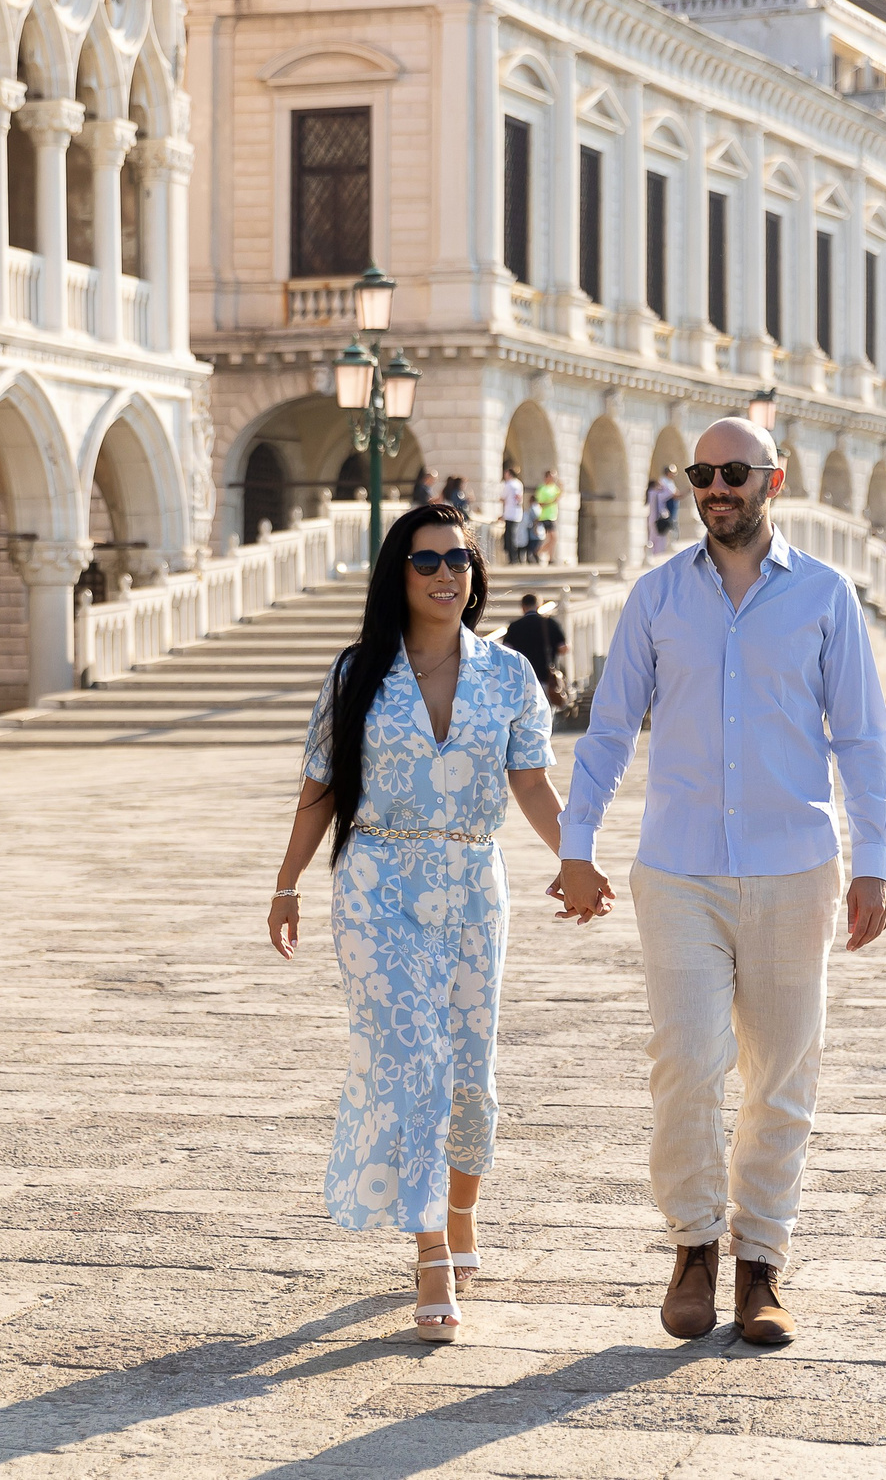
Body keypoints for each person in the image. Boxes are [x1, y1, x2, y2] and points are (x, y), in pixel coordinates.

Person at [556, 417, 886, 1347]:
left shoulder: (825, 594)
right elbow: (610, 726)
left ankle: (761, 1265)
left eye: (734, 471)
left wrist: (874, 859)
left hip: (797, 867)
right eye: (702, 472)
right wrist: (577, 843)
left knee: (783, 1075)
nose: (716, 486)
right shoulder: (657, 595)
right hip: (679, 869)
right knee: (686, 1064)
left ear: (771, 481)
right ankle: (694, 1247)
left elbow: (862, 736)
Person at [267, 503, 561, 1341]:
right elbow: (322, 784)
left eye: (458, 559)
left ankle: (460, 1213)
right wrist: (287, 882)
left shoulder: (509, 674)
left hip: (473, 885)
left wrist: (576, 856)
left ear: (475, 572)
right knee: (414, 1055)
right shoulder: (357, 671)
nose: (444, 574)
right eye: (426, 559)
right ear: (398, 572)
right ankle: (431, 1246)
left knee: (471, 1067)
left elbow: (531, 782)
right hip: (377, 882)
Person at [503, 592, 570, 711]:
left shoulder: (515, 626)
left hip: (522, 678)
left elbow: (506, 651)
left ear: (523, 607)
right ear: (539, 605)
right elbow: (563, 648)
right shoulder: (549, 623)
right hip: (545, 676)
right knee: (547, 712)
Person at [645, 469, 679, 557]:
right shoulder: (657, 494)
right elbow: (670, 493)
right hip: (658, 519)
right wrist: (664, 484)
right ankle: (658, 555)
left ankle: (651, 554)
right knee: (660, 538)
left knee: (652, 537)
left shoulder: (650, 493)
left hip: (651, 518)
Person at [499, 464, 528, 565]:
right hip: (517, 513)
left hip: (509, 513)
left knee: (509, 537)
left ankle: (513, 558)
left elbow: (503, 498)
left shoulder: (509, 484)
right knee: (514, 536)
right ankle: (515, 556)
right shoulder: (519, 484)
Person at [534, 470, 563, 565]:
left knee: (551, 539)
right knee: (553, 537)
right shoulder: (542, 488)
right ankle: (539, 552)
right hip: (545, 516)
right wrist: (551, 501)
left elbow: (559, 496)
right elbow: (540, 503)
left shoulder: (554, 488)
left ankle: (549, 557)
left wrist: (562, 486)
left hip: (553, 516)